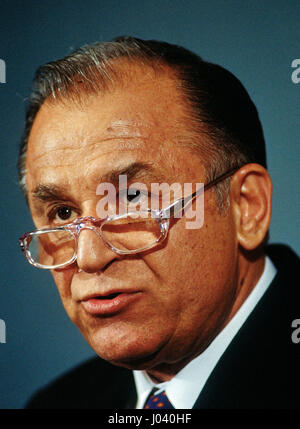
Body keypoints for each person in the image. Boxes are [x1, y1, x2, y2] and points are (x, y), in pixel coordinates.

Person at [18, 36, 300, 409]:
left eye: (131, 198)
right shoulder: (56, 403)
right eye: (63, 212)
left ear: (246, 207)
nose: (88, 258)